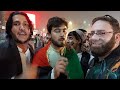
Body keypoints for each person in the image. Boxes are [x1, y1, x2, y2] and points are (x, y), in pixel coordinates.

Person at [0, 11, 37, 79]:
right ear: (10, 29)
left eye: (25, 24)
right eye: (16, 24)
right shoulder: (2, 52)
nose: (22, 28)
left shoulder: (31, 50)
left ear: (30, 30)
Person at [86, 15, 120, 79]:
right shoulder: (94, 61)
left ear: (117, 37)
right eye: (92, 33)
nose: (93, 38)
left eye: (102, 33)